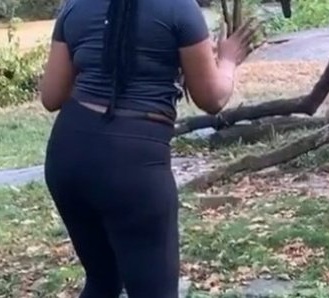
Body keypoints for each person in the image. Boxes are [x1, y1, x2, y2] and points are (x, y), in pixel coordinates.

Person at [39, 0, 257, 296]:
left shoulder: (76, 5)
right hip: (134, 165)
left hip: (69, 156)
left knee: (103, 280)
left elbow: (51, 96)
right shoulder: (180, 8)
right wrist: (228, 60)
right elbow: (212, 98)